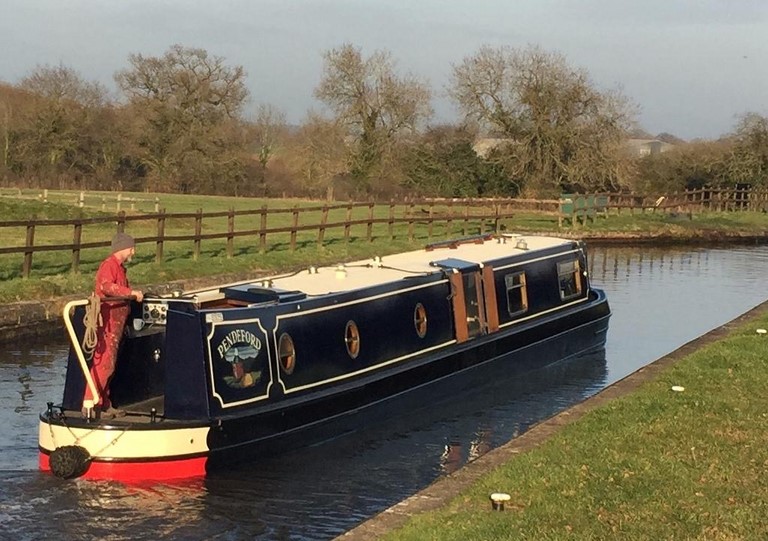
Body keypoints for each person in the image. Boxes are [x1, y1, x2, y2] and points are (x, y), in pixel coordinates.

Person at [82, 232, 143, 420]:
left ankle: (103, 402)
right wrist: (131, 293)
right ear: (123, 248)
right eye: (131, 247)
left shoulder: (120, 268)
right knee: (104, 363)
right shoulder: (109, 266)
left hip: (116, 321)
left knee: (109, 363)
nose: (133, 251)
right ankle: (91, 402)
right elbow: (107, 287)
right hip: (108, 320)